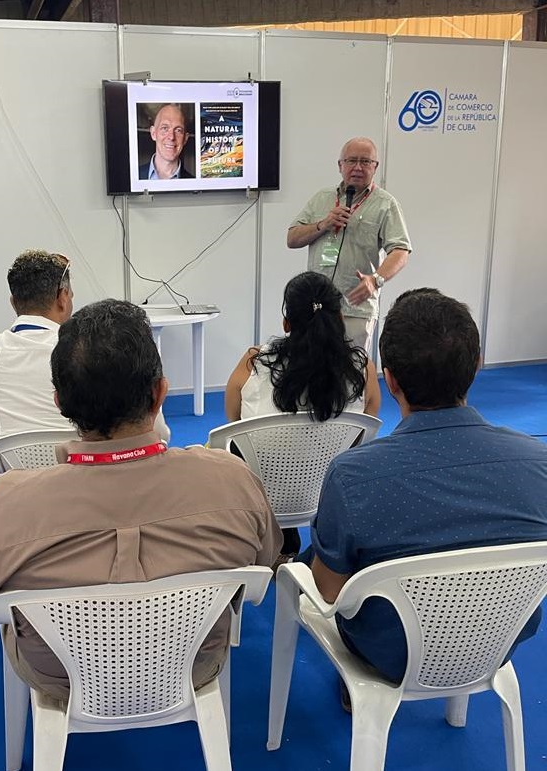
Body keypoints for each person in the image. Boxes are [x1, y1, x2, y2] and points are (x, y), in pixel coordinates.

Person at [0, 299, 281, 700]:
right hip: (195, 663)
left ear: (61, 404)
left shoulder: (1, 507)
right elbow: (262, 566)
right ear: (160, 395)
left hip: (60, 676)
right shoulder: (234, 481)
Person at [306, 288, 547, 687]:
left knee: (319, 555)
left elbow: (328, 592)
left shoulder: (354, 476)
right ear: (477, 365)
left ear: (390, 380)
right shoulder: (538, 464)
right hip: (497, 644)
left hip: (389, 651)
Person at [224, 271, 380, 558]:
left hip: (264, 493)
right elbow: (365, 431)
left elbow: (233, 422)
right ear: (340, 320)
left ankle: (276, 545)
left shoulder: (253, 364)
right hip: (330, 491)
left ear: (286, 323)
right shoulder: (362, 370)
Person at [0, 249, 170, 443]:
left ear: (14, 303)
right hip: (91, 473)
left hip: (11, 472)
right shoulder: (91, 351)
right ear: (62, 298)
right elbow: (155, 432)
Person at [286, 137, 411, 353]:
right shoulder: (322, 198)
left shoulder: (386, 204)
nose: (358, 167)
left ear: (375, 167)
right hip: (317, 304)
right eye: (351, 160)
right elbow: (292, 239)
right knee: (309, 368)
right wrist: (323, 224)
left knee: (351, 374)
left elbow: (401, 250)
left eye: (365, 162)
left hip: (355, 305)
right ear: (340, 165)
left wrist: (376, 280)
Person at [138, 103, 194, 180]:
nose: (171, 137)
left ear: (185, 139)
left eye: (178, 130)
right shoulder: (133, 177)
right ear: (153, 133)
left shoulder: (194, 184)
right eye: (165, 128)